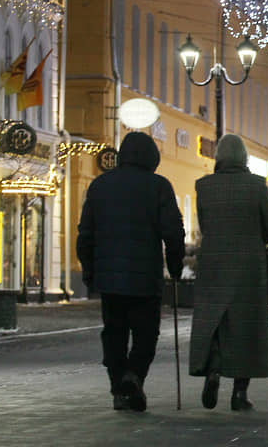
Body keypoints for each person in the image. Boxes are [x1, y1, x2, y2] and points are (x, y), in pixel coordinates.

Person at [77, 132, 185, 412]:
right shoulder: (159, 186)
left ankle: (119, 389)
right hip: (145, 279)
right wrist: (175, 265)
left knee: (113, 334)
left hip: (110, 280)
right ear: (152, 157)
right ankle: (133, 376)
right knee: (146, 334)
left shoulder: (100, 186)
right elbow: (173, 231)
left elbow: (85, 233)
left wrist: (89, 270)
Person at [188, 134, 268, 411]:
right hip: (249, 268)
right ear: (243, 158)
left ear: (218, 157)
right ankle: (240, 394)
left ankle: (213, 368)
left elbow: (204, 224)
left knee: (214, 323)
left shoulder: (204, 187)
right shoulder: (256, 186)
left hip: (213, 265)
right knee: (246, 328)